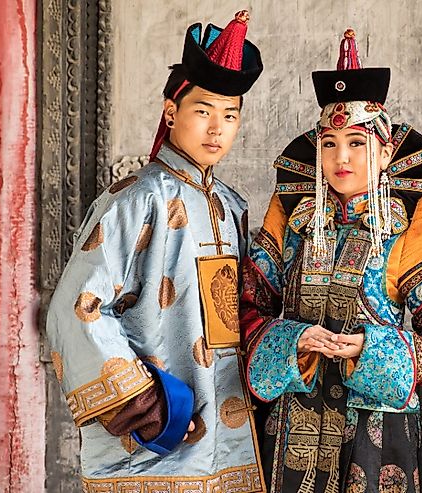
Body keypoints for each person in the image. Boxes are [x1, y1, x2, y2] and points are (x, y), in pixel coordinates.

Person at [240, 29, 422, 493]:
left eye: (357, 144)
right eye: (329, 143)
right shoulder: (292, 214)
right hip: (290, 432)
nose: (340, 158)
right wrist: (293, 338)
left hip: (376, 438)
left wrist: (369, 349)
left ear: (385, 153)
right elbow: (244, 311)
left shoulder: (412, 223)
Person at [47, 11, 267, 492]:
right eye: (203, 110)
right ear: (171, 112)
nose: (217, 128)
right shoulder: (137, 197)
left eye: (230, 115)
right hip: (155, 444)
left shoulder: (233, 206)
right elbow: (75, 309)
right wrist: (145, 406)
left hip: (230, 441)